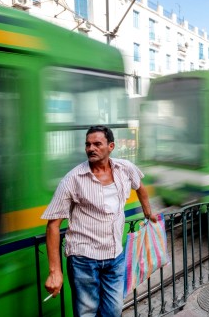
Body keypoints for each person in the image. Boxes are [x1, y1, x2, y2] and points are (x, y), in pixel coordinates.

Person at [41, 125, 158, 317]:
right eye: (87, 144)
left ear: (111, 146)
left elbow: (140, 187)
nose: (90, 148)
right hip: (83, 259)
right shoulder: (73, 179)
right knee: (87, 313)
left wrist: (148, 212)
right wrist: (55, 271)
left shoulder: (124, 168)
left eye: (97, 144)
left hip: (115, 256)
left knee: (113, 311)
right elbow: (53, 225)